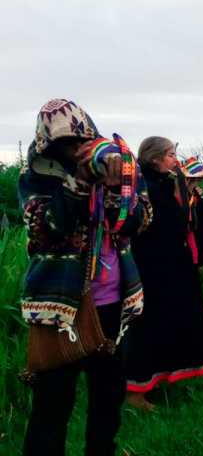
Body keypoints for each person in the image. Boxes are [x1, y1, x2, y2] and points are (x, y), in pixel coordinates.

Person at [19, 98, 150, 456]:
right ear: (49, 147)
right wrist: (79, 181)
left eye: (81, 141)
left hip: (113, 303)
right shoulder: (36, 176)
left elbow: (139, 222)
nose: (76, 149)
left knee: (108, 399)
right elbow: (48, 229)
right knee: (52, 405)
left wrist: (115, 189)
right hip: (58, 307)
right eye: (65, 144)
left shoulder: (120, 167)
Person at [123, 137, 203, 410]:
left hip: (171, 266)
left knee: (170, 322)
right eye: (171, 154)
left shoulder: (165, 183)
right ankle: (134, 390)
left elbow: (182, 222)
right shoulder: (144, 188)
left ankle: (159, 377)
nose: (176, 159)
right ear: (154, 159)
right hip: (152, 269)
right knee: (147, 325)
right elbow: (151, 228)